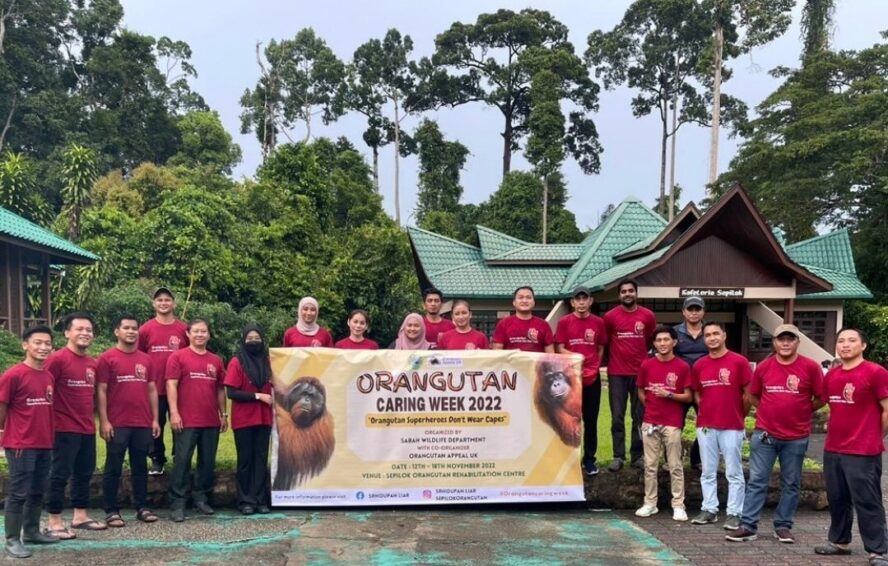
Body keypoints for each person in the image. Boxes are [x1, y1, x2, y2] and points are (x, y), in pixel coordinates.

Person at [727, 324, 823, 544]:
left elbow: (821, 396)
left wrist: (803, 409)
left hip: (796, 436)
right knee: (757, 481)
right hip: (765, 435)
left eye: (790, 339)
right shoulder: (764, 366)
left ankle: (783, 526)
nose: (786, 343)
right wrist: (767, 409)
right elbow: (752, 395)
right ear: (775, 342)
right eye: (781, 339)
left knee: (791, 483)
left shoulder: (810, 367)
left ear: (798, 342)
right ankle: (748, 526)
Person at [814, 328, 888, 563]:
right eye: (841, 341)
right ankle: (840, 540)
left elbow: (887, 409)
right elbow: (831, 406)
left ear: (863, 345)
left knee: (867, 500)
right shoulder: (832, 375)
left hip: (863, 450)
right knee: (837, 498)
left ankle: (878, 549)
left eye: (852, 340)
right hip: (833, 448)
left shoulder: (875, 372)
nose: (845, 345)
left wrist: (876, 436)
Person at [45, 312, 106, 537]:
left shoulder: (92, 362)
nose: (85, 333)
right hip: (62, 428)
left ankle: (80, 516)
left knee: (84, 473)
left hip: (86, 427)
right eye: (79, 329)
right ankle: (53, 521)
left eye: (88, 330)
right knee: (59, 474)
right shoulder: (57, 359)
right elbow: (44, 388)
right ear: (67, 333)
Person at [96, 315, 161, 527]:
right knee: (113, 466)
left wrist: (155, 419)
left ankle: (142, 506)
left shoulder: (146, 359)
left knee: (140, 466)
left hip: (142, 422)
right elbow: (101, 390)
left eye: (134, 328)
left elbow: (151, 389)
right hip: (117, 422)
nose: (131, 332)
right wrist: (104, 420)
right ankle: (111, 510)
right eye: (126, 328)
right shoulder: (107, 358)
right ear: (117, 331)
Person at [0, 326, 59, 558]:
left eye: (47, 343)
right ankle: (12, 539)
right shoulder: (13, 375)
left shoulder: (48, 375)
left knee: (37, 489)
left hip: (44, 442)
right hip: (21, 444)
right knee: (19, 491)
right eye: (37, 342)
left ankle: (32, 531)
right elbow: (2, 408)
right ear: (25, 345)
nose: (43, 347)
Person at [690, 321, 752, 530]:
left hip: (732, 425)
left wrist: (737, 415)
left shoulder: (739, 362)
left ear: (724, 336)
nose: (712, 338)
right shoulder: (699, 364)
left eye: (716, 333)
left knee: (733, 471)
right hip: (706, 425)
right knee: (707, 470)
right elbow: (697, 393)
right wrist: (707, 410)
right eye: (708, 335)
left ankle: (735, 512)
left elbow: (748, 394)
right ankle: (709, 509)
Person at [166, 318, 227, 522]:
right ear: (188, 334)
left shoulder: (215, 360)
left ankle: (201, 498)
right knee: (182, 461)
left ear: (209, 335)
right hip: (186, 419)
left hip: (210, 419)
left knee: (207, 462)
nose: (200, 335)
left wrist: (223, 414)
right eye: (196, 331)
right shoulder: (178, 357)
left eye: (204, 332)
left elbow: (220, 389)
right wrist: (174, 412)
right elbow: (171, 385)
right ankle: (178, 503)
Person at [635, 326, 692, 521]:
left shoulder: (682, 366)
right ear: (654, 343)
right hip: (650, 421)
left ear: (674, 342)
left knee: (675, 465)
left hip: (672, 422)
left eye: (666, 340)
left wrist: (668, 395)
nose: (662, 344)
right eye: (658, 340)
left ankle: (678, 504)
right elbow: (641, 391)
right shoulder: (647, 365)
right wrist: (651, 405)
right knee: (650, 465)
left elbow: (688, 396)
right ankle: (650, 503)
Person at [603, 279, 656, 472]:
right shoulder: (609, 317)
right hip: (617, 373)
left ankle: (637, 456)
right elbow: (607, 343)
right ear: (619, 295)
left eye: (630, 291)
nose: (627, 294)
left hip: (640, 374)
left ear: (636, 293)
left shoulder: (647, 316)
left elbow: (650, 341)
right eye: (623, 291)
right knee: (617, 417)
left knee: (639, 417)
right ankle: (618, 456)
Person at [555, 286, 607, 475]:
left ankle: (589, 460)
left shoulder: (598, 323)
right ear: (573, 302)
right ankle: (568, 460)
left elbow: (600, 347)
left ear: (591, 301)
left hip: (592, 377)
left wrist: (593, 365)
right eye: (578, 299)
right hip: (570, 378)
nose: (582, 302)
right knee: (569, 420)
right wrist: (577, 357)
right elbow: (559, 348)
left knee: (591, 421)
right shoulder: (564, 322)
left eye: (585, 299)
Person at [224, 324, 274, 515]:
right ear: (243, 340)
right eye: (249, 338)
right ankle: (245, 500)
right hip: (244, 419)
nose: (253, 342)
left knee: (260, 460)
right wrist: (258, 396)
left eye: (257, 338)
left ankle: (261, 500)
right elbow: (232, 392)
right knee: (245, 461)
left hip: (264, 419)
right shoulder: (237, 362)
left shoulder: (269, 362)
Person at [139, 287, 189, 476]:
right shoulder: (145, 329)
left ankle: (180, 457)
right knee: (155, 424)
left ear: (174, 303)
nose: (163, 303)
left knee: (180, 423)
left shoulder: (183, 329)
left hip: (180, 388)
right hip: (154, 387)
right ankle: (157, 459)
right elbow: (139, 356)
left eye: (167, 300)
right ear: (154, 304)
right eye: (159, 300)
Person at [674, 296, 707, 470]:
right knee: (675, 424)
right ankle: (672, 460)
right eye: (690, 309)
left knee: (705, 423)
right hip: (681, 386)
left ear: (703, 311)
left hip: (704, 387)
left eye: (697, 309)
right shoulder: (675, 333)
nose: (694, 313)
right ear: (683, 312)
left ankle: (697, 458)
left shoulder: (710, 332)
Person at [491, 287, 554, 353]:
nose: (524, 301)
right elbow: (497, 351)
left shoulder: (544, 325)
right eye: (520, 297)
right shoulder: (503, 324)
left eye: (528, 297)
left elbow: (550, 354)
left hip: (535, 363)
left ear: (534, 302)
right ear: (514, 302)